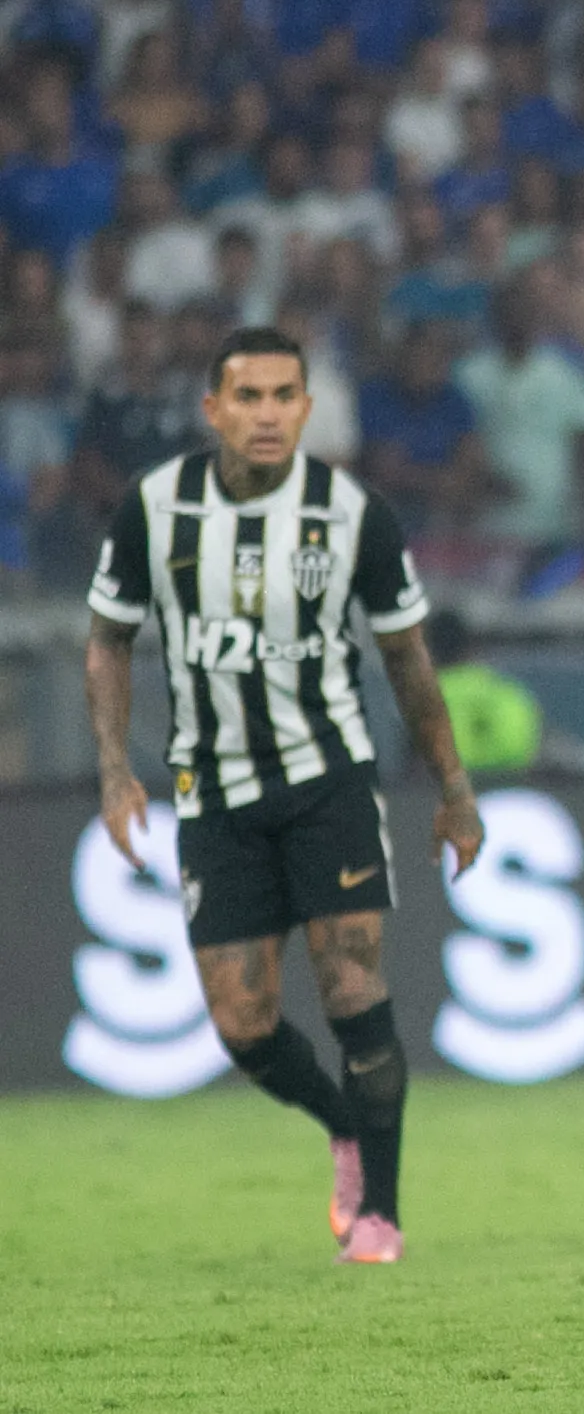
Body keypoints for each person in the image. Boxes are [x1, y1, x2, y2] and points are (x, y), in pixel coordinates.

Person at [83, 325, 485, 1266]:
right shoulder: (155, 507)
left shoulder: (352, 514)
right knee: (242, 1023)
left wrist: (454, 789)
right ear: (213, 409)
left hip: (327, 780)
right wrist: (113, 768)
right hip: (212, 792)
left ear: (307, 407)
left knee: (353, 988)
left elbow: (406, 660)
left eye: (283, 396)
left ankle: (380, 1213)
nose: (267, 414)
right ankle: (343, 1125)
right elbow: (106, 639)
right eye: (247, 397)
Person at [427, 609, 542, 773]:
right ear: (471, 646)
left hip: (441, 791)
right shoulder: (512, 694)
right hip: (513, 789)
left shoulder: (416, 700)